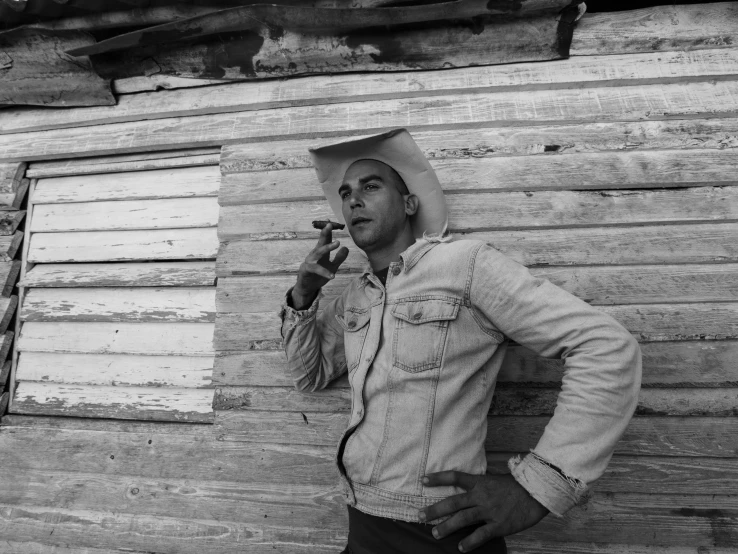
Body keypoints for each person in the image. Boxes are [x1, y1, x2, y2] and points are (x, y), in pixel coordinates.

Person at [279, 129, 642, 553]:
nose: (353, 199)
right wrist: (303, 295)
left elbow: (606, 346)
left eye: (371, 186)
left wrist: (540, 487)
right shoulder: (356, 295)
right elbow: (309, 375)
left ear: (409, 202)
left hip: (438, 531)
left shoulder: (464, 265)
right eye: (346, 193)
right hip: (361, 522)